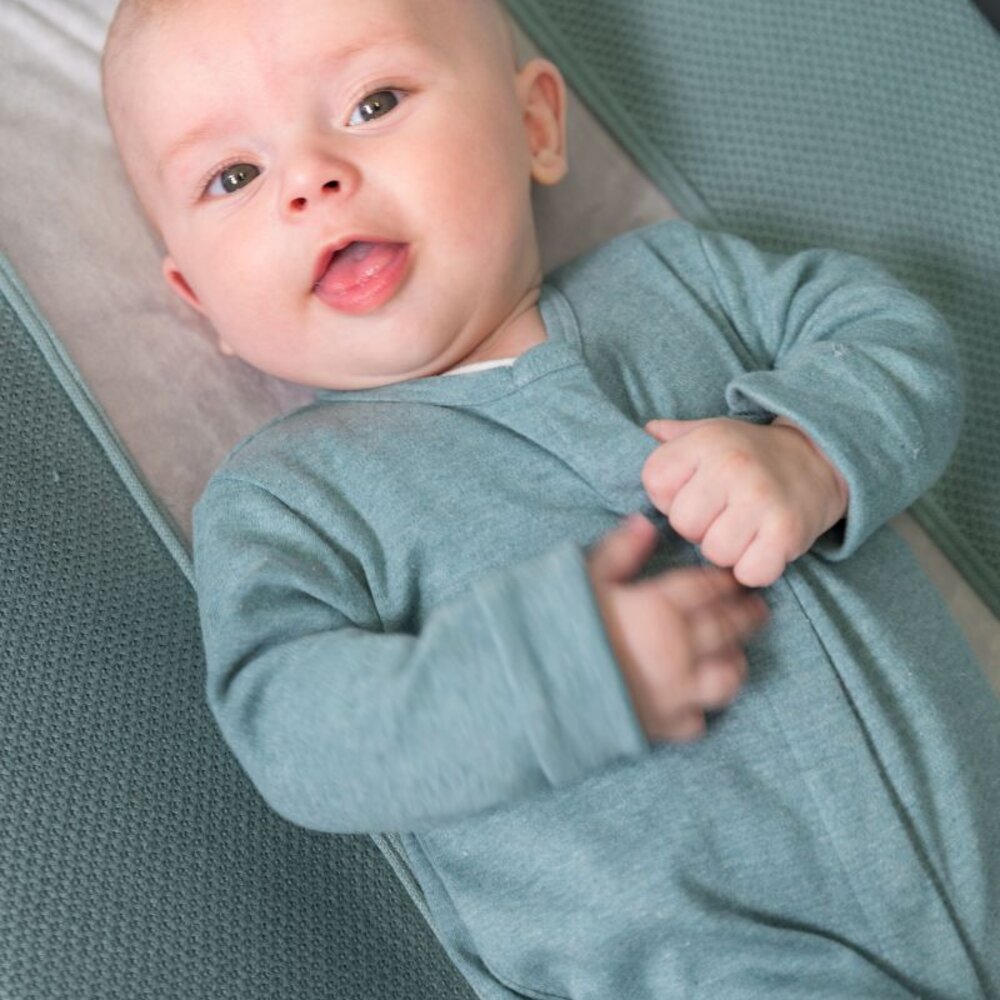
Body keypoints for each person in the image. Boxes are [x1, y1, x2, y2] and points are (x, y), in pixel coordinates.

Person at [101, 0, 1000, 995]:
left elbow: (891, 336)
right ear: (199, 299)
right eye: (234, 176)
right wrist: (549, 676)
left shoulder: (679, 277)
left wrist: (809, 451)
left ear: (533, 124)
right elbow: (294, 729)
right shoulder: (289, 497)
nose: (312, 181)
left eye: (373, 102)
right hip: (698, 970)